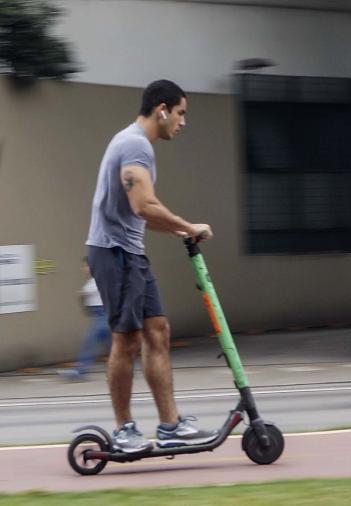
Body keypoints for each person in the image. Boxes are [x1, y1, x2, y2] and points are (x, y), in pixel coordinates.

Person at [85, 79, 217, 453]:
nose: (183, 122)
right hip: (113, 252)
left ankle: (170, 425)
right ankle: (124, 430)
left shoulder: (137, 145)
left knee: (158, 331)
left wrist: (180, 230)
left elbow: (142, 214)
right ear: (162, 109)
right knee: (126, 339)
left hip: (130, 252)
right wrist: (189, 226)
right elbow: (144, 205)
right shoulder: (134, 145)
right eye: (181, 113)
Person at [58, 259, 112, 381]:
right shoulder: (96, 281)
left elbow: (82, 296)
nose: (84, 269)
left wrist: (82, 296)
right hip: (101, 315)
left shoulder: (96, 281)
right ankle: (124, 370)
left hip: (102, 316)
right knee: (112, 346)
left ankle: (80, 372)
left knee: (90, 341)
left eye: (87, 266)